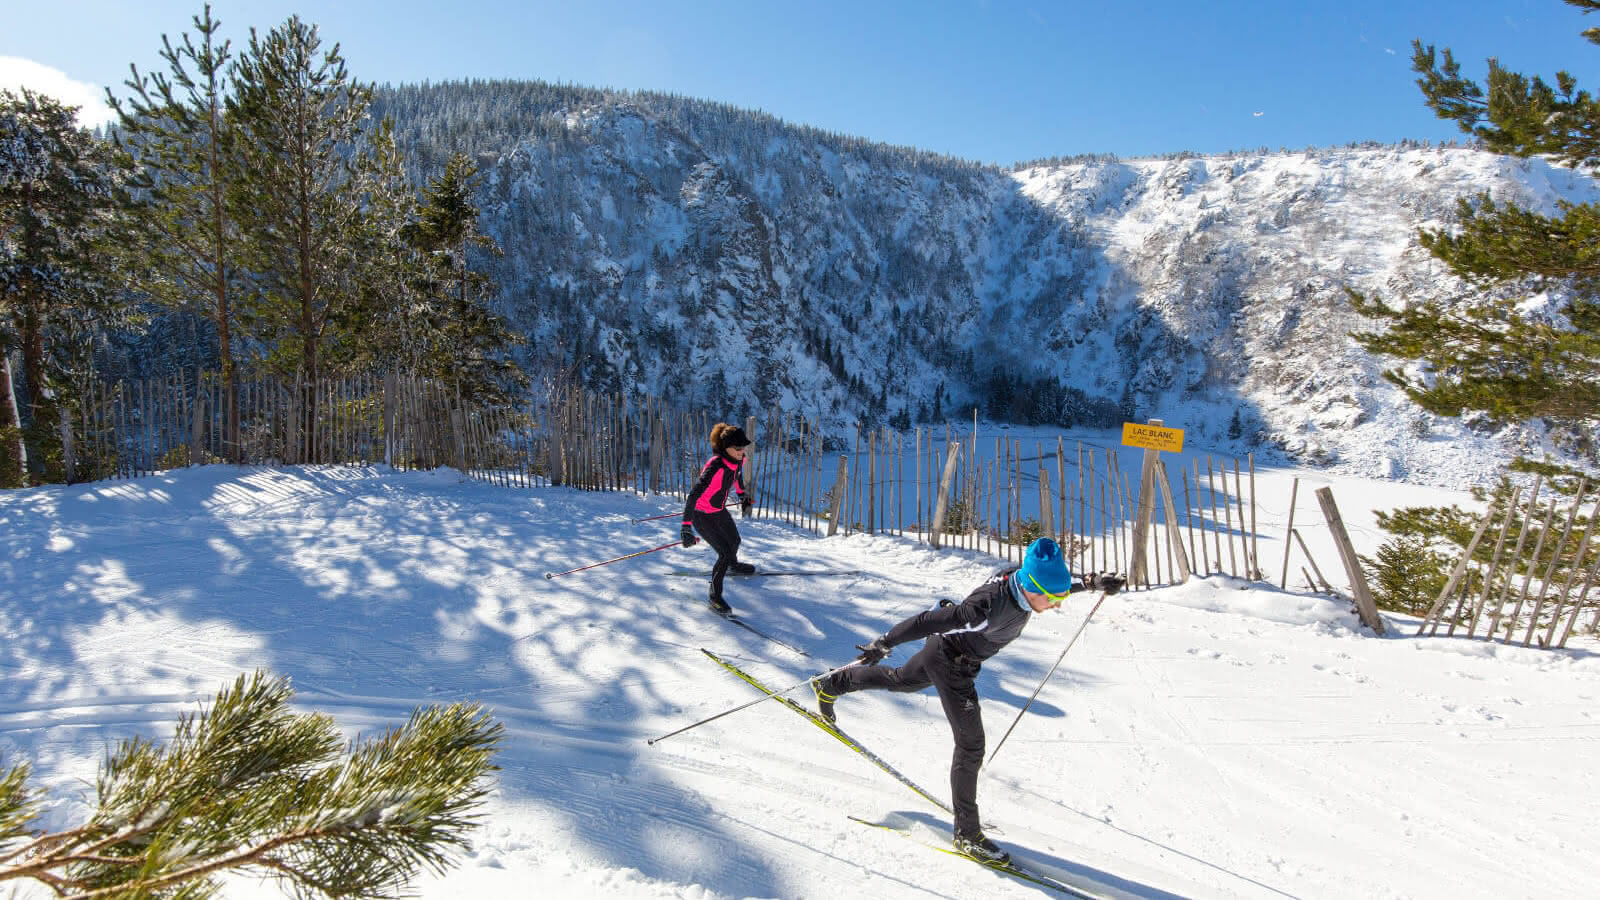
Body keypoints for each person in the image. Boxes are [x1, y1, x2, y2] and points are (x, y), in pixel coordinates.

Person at [811, 537, 1124, 864]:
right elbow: (926, 622)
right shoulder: (983, 610)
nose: (1057, 603)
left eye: (1060, 596)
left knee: (901, 681)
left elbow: (1049, 584)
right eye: (1054, 598)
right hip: (951, 661)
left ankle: (833, 683)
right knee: (971, 744)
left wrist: (1087, 583)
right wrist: (884, 642)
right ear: (1031, 588)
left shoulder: (1024, 580)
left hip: (947, 652)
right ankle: (967, 835)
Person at [680, 422, 755, 615]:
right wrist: (686, 528)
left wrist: (742, 496)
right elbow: (693, 495)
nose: (741, 451)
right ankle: (714, 597)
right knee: (724, 552)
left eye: (743, 447)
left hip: (718, 510)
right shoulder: (715, 466)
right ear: (726, 448)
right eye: (737, 448)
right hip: (701, 514)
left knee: (735, 541)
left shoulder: (739, 459)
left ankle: (734, 565)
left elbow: (737, 476)